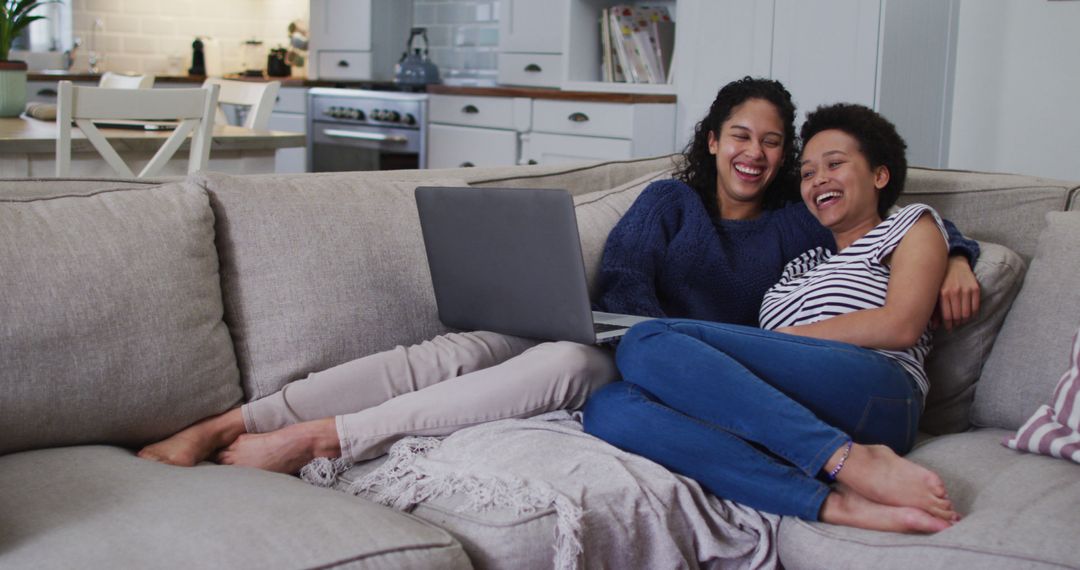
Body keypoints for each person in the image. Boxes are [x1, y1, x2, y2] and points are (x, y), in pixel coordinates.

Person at [138, 78, 980, 476]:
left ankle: (324, 440)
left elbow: (891, 219)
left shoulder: (803, 221)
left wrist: (962, 256)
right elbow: (619, 275)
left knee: (569, 366)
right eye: (737, 135)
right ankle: (231, 418)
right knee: (453, 349)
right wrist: (629, 324)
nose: (754, 153)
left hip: (656, 366)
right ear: (714, 140)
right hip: (617, 333)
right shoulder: (666, 201)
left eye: (770, 142)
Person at [583, 102, 961, 534]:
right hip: (792, 411)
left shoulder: (910, 225)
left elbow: (901, 324)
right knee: (609, 408)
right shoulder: (800, 263)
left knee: (645, 340)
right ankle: (828, 502)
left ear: (880, 175)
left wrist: (959, 258)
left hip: (880, 391)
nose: (818, 178)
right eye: (807, 172)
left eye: (834, 164)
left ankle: (847, 460)